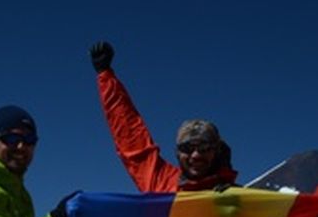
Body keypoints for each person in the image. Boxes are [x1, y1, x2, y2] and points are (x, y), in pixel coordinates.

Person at [89, 41, 238, 192]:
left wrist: (236, 198)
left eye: (204, 148)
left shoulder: (237, 197)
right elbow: (130, 134)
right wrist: (105, 77)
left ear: (216, 152)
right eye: (187, 148)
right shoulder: (160, 182)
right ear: (177, 153)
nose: (196, 155)